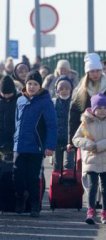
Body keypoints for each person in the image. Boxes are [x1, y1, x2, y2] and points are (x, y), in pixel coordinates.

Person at [13, 70, 57, 217]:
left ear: (40, 86)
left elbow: (52, 125)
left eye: (35, 84)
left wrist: (50, 146)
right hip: (19, 146)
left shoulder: (45, 102)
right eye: (29, 83)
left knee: (33, 178)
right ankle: (20, 199)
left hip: (36, 147)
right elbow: (17, 122)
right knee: (17, 176)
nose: (31, 87)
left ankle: (34, 205)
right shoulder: (20, 100)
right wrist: (15, 138)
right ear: (25, 84)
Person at [72, 93, 106, 225]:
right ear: (93, 109)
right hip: (91, 160)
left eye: (104, 108)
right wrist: (87, 144)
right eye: (98, 108)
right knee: (92, 186)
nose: (102, 111)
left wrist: (100, 145)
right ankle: (91, 211)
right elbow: (76, 139)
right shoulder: (85, 124)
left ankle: (105, 213)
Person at [67, 53, 106, 151]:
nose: (95, 74)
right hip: (87, 133)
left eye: (98, 71)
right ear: (87, 73)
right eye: (92, 71)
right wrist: (70, 141)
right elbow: (74, 114)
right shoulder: (81, 89)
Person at [52, 75, 74, 171]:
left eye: (67, 88)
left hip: (71, 138)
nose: (64, 91)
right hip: (57, 137)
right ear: (57, 90)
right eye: (61, 88)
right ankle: (57, 182)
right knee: (57, 163)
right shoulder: (53, 102)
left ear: (71, 89)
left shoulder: (74, 103)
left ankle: (70, 183)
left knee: (69, 163)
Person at [0, 75, 20, 161]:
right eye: (4, 94)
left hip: (15, 137)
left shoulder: (19, 100)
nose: (7, 96)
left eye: (9, 94)